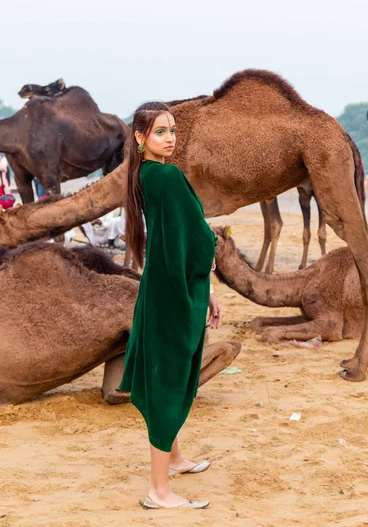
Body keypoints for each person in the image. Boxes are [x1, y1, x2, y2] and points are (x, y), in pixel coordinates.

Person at [119, 102, 222, 510]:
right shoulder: (166, 176)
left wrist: (207, 287)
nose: (170, 138)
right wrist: (208, 260)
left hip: (161, 286)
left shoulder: (144, 175)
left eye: (173, 130)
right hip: (173, 292)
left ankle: (175, 459)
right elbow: (196, 238)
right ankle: (158, 491)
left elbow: (175, 238)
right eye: (161, 131)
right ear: (141, 138)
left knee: (168, 372)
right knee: (169, 379)